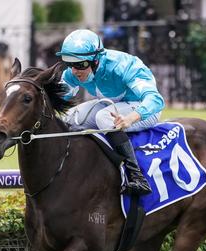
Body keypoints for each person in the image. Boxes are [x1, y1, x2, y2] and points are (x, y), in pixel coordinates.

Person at [56, 29, 165, 195]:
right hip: (111, 105)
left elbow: (156, 100)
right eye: (69, 63)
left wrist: (131, 118)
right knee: (69, 117)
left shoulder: (122, 66)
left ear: (96, 59)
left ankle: (137, 177)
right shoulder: (73, 73)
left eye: (80, 64)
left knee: (104, 117)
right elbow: (59, 97)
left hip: (143, 109)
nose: (75, 70)